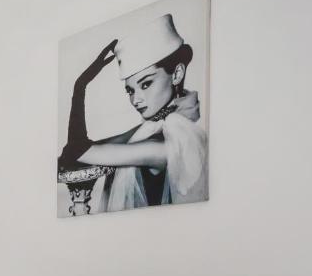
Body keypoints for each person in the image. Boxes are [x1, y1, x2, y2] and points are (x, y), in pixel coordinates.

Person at [59, 14, 208, 212]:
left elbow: (79, 150)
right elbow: (77, 152)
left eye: (146, 84)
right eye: (130, 90)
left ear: (177, 74)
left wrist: (80, 87)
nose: (135, 100)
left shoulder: (164, 146)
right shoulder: (152, 128)